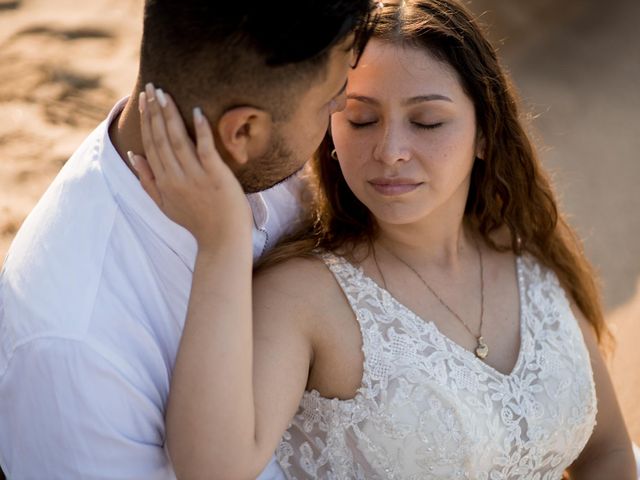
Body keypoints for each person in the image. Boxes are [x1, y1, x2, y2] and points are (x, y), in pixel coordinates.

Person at [130, 0, 639, 478]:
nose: (391, 150)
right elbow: (210, 469)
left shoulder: (533, 263)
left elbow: (609, 452)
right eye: (361, 119)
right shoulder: (303, 297)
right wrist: (221, 245)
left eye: (427, 121)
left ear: (485, 133)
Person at [0, 1, 375, 478]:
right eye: (330, 99)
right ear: (242, 131)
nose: (344, 106)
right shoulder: (75, 348)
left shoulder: (270, 158)